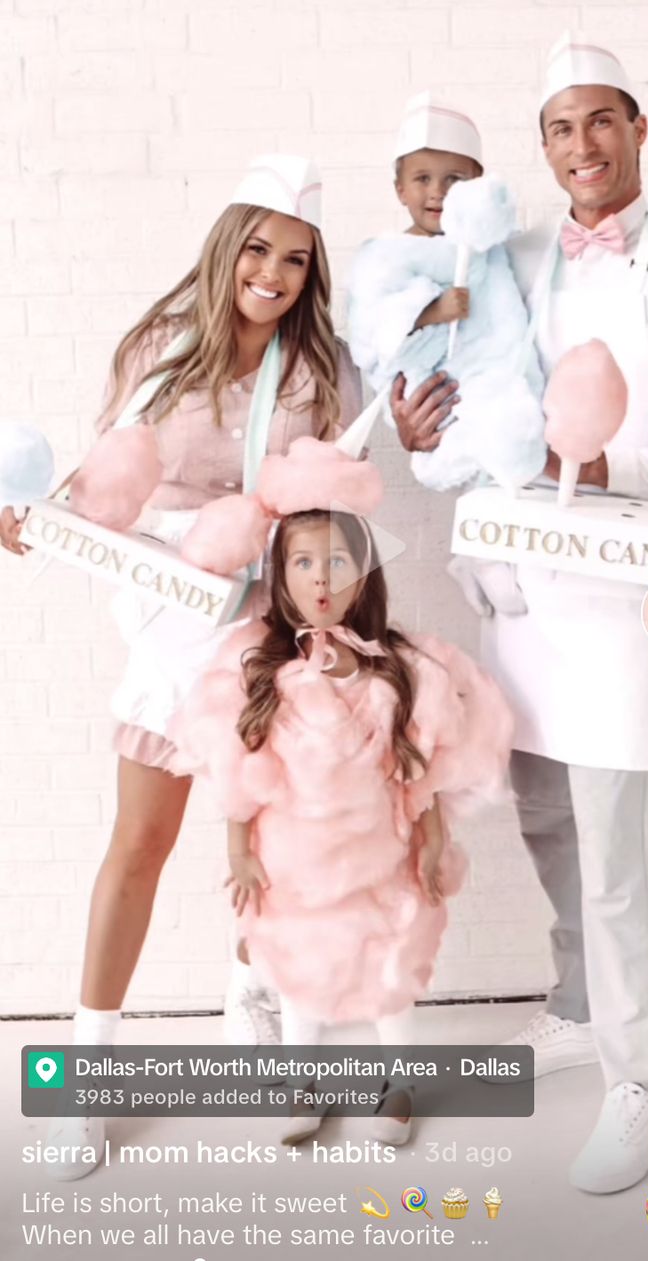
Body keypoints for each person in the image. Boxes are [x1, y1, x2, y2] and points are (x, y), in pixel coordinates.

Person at [389, 32, 648, 1194]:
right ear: (539, 148)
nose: (579, 145)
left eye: (600, 120)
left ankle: (634, 1083)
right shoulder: (517, 256)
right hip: (522, 571)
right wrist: (417, 430)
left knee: (613, 848)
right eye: (557, 127)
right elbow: (466, 380)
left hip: (624, 580)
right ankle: (579, 1001)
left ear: (641, 129)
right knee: (540, 807)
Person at [0, 155, 363, 1179]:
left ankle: (263, 1013)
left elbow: (323, 504)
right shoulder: (157, 349)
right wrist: (33, 521)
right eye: (258, 248)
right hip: (167, 619)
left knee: (276, 849)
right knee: (140, 846)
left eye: (295, 259)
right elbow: (104, 476)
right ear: (224, 247)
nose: (273, 273)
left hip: (264, 627)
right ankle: (85, 1075)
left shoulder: (315, 372)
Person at [168, 432, 513, 1147]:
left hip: (380, 858)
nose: (320, 579)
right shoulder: (257, 671)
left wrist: (433, 844)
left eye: (337, 561)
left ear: (364, 572)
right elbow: (238, 772)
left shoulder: (395, 668)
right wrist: (239, 850)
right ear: (281, 572)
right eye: (302, 562)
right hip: (294, 860)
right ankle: (303, 1081)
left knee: (390, 966)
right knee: (299, 967)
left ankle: (398, 1083)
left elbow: (423, 773)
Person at [347, 90, 546, 493]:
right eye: (422, 179)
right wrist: (432, 310)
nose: (437, 192)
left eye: (454, 179)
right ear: (400, 188)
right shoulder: (387, 256)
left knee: (508, 422)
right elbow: (373, 332)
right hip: (434, 386)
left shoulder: (494, 251)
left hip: (495, 380)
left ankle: (508, 446)